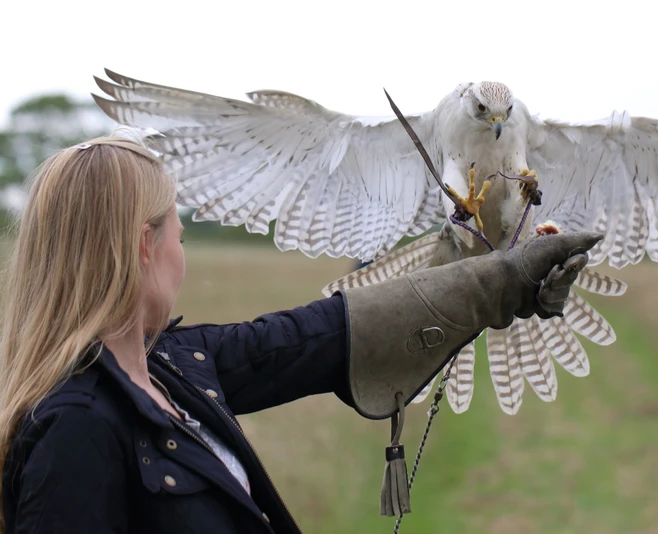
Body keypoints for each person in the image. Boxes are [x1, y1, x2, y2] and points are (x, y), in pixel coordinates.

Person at [0, 133, 603, 534]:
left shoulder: (174, 367)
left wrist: (500, 282)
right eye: (181, 237)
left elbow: (321, 336)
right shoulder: (74, 428)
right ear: (143, 246)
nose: (185, 257)